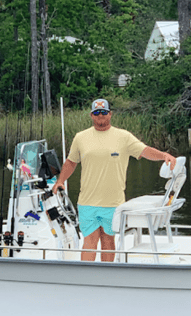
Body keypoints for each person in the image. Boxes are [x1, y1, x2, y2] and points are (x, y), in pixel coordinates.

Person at [52, 98, 177, 262]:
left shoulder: (123, 136)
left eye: (104, 112)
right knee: (89, 241)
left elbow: (145, 151)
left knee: (108, 241)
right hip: (87, 201)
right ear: (91, 115)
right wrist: (60, 180)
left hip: (113, 202)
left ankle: (105, 277)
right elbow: (71, 162)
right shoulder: (80, 137)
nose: (100, 116)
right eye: (96, 113)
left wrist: (163, 155)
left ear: (110, 114)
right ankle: (86, 278)